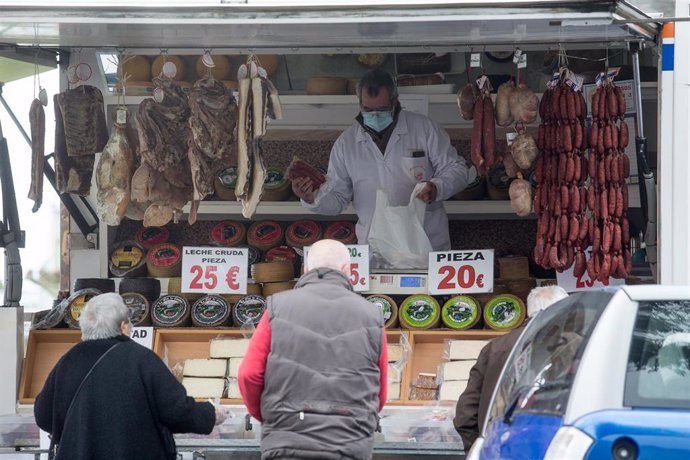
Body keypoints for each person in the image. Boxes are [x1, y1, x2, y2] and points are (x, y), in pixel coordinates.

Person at [292, 68, 469, 255]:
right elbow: (338, 199)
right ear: (359, 103)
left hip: (425, 244)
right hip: (375, 250)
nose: (375, 115)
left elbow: (457, 169)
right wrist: (312, 198)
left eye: (382, 109)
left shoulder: (423, 128)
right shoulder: (346, 143)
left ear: (395, 101)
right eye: (368, 109)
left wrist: (437, 187)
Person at [238, 239, 388, 460]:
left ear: (306, 269)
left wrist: (271, 416)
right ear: (348, 270)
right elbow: (381, 390)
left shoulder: (277, 308)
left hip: (287, 441)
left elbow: (248, 374)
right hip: (348, 445)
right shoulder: (372, 315)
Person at [34, 293, 226, 460]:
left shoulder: (68, 361)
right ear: (123, 326)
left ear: (84, 328)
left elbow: (43, 416)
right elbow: (176, 411)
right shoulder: (142, 359)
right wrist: (210, 414)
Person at [453, 285, 569, 451]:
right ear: (562, 311)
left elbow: (466, 413)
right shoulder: (570, 346)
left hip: (500, 448)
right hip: (550, 449)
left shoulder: (495, 347)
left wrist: (479, 449)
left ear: (530, 311)